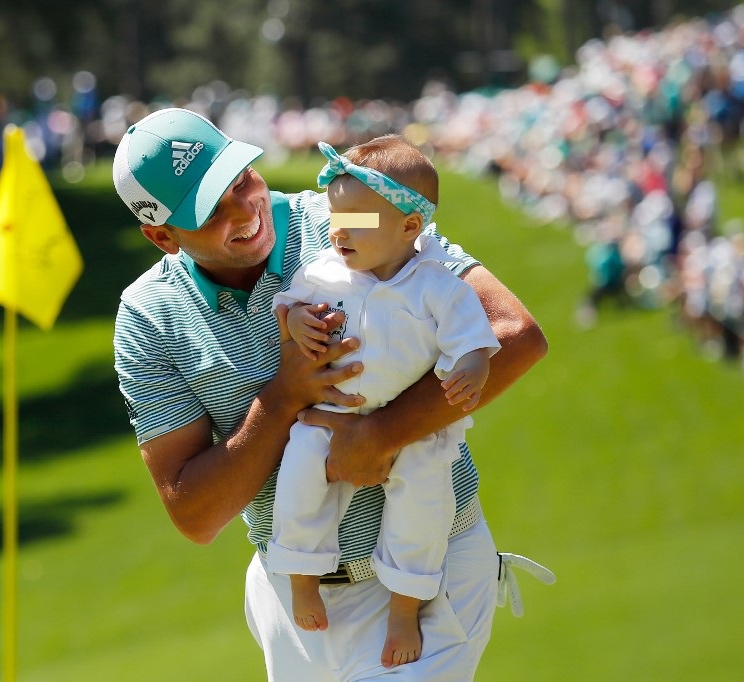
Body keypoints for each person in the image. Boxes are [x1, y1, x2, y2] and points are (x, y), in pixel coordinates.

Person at [112, 107, 549, 680]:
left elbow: (514, 335)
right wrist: (283, 397)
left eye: (241, 180)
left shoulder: (351, 211)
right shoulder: (148, 315)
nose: (245, 210)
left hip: (423, 583)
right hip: (290, 601)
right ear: (162, 236)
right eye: (211, 210)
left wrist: (381, 435)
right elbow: (195, 512)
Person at [267, 136, 501, 669]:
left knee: (423, 499)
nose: (339, 231)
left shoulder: (437, 286)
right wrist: (295, 320)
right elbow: (290, 306)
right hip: (335, 411)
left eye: (359, 221)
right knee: (299, 470)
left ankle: (405, 606)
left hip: (412, 426)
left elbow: (475, 339)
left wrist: (471, 368)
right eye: (334, 216)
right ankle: (302, 577)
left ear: (410, 228)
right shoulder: (324, 270)